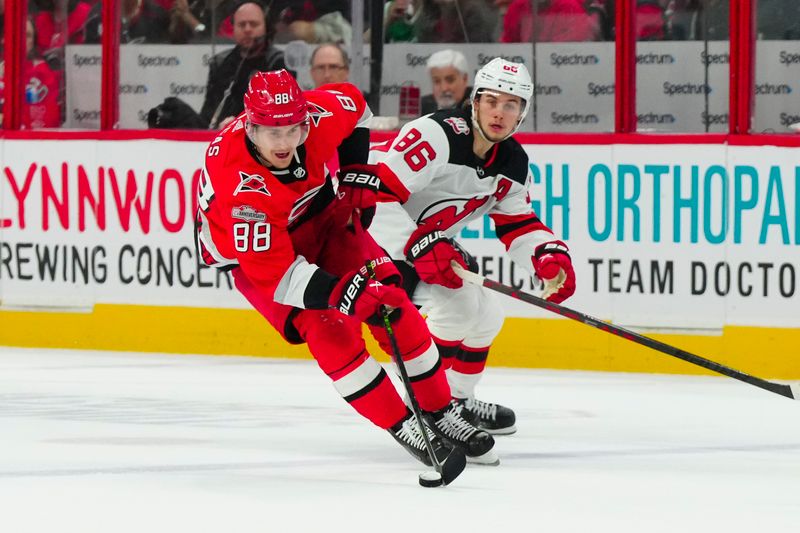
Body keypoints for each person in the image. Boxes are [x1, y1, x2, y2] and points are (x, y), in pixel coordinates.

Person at [193, 69, 497, 466]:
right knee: (327, 329)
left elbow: (358, 107)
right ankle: (402, 425)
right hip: (254, 256)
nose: (284, 142)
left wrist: (357, 175)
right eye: (272, 131)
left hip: (321, 218)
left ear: (306, 119)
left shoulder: (318, 116)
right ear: (249, 127)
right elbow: (281, 276)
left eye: (292, 128)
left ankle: (441, 411)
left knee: (391, 301)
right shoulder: (241, 189)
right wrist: (343, 294)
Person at [367, 58, 576, 435]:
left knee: (488, 314)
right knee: (460, 309)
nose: (500, 112)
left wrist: (547, 254)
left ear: (522, 114)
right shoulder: (436, 134)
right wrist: (419, 243)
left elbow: (518, 222)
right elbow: (377, 197)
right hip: (374, 240)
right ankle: (429, 407)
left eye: (511, 105)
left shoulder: (512, 160)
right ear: (474, 100)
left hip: (422, 243)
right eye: (492, 100)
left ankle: (457, 401)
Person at [199, 1, 289, 129]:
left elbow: (283, 113)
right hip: (221, 135)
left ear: (266, 27)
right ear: (233, 29)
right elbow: (208, 113)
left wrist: (241, 124)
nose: (247, 29)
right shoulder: (219, 63)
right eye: (242, 25)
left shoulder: (278, 63)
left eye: (253, 24)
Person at [0, 17, 61, 128]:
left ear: (33, 42)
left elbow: (49, 119)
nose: (20, 39)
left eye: (27, 36)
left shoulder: (43, 74)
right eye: (15, 33)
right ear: (3, 38)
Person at [420, 49, 471, 116]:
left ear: (464, 79)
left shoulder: (476, 106)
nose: (444, 88)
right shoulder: (421, 106)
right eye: (437, 81)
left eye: (450, 80)